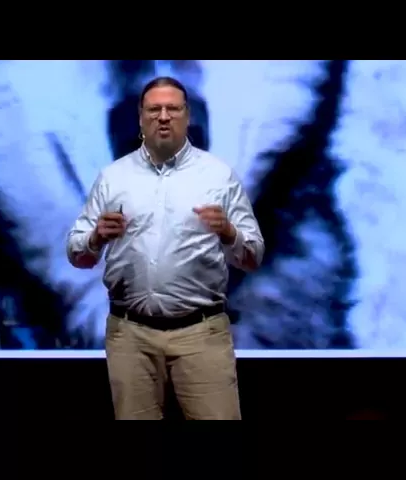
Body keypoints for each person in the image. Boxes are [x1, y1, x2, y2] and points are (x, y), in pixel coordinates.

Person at [66, 76, 264, 420]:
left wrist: (229, 232)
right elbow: (77, 254)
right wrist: (96, 238)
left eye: (172, 109)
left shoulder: (219, 176)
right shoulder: (113, 178)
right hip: (130, 337)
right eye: (154, 109)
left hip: (201, 335)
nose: (163, 117)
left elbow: (253, 256)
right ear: (140, 116)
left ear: (187, 115)